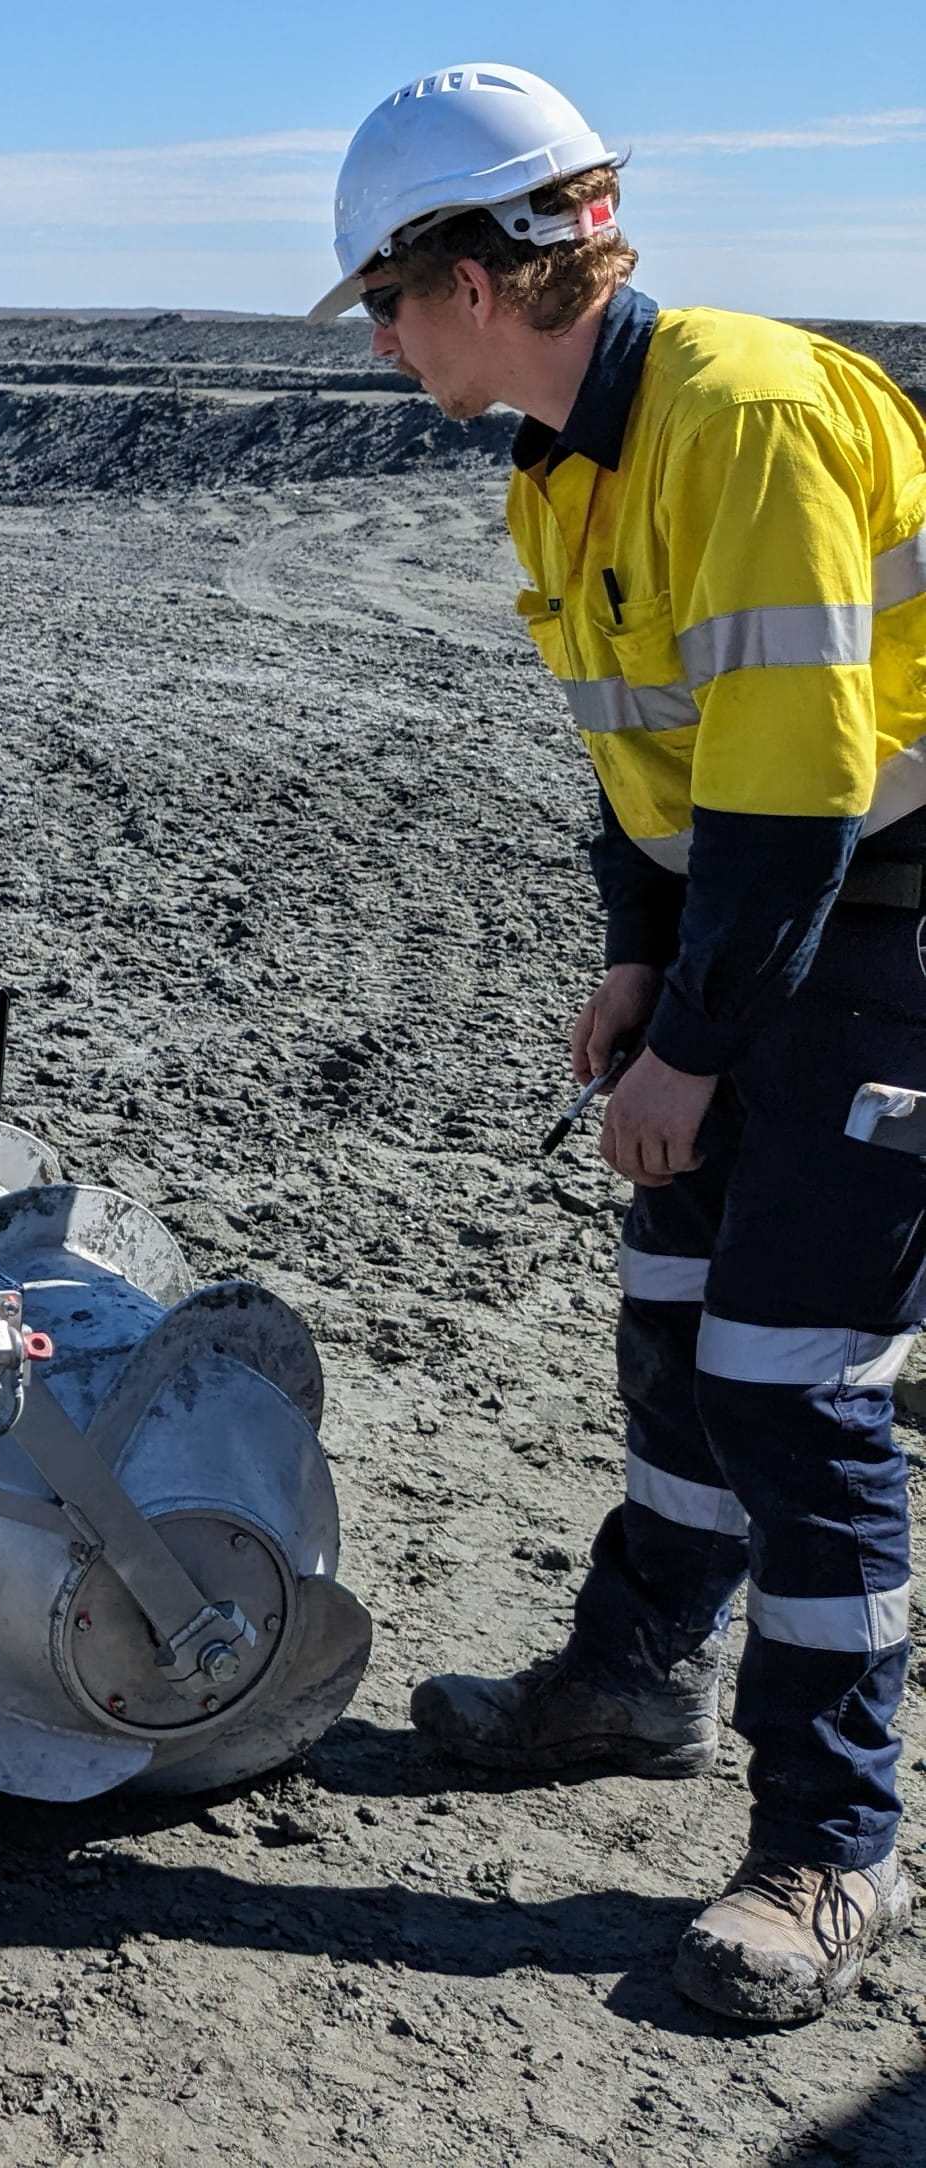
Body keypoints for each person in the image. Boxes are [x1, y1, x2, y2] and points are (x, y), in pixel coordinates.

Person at [319, 66, 926, 2024]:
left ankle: (833, 1852)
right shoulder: (566, 456)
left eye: (387, 302)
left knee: (797, 1379)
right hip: (781, 921)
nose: (388, 341)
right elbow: (649, 763)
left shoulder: (740, 420)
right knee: (678, 1327)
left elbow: (797, 793)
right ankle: (631, 1680)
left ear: (476, 279)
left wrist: (697, 1038)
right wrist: (639, 970)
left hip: (894, 934)